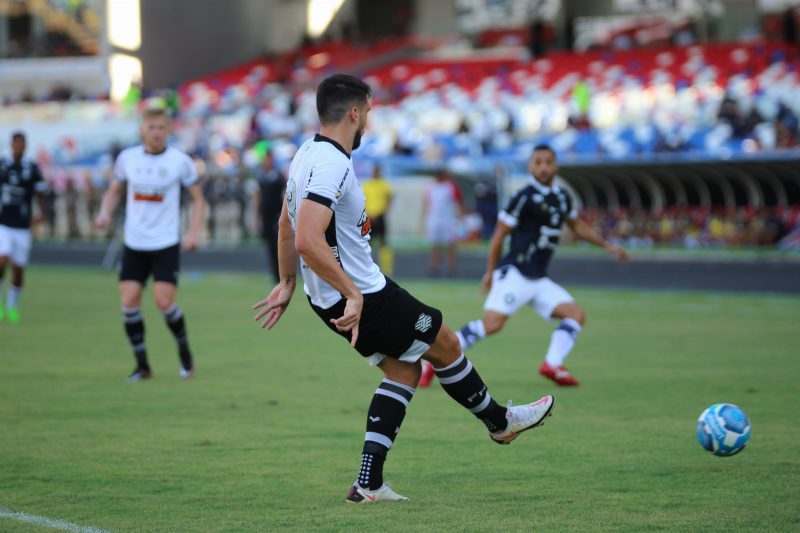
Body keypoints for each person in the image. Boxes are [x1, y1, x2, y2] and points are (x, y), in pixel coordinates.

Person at [252, 74, 555, 504]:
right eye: (369, 113)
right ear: (354, 113)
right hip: (359, 294)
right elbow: (306, 238)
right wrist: (353, 294)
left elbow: (286, 223)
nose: (369, 122)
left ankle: (368, 483)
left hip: (329, 295)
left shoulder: (305, 153)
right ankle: (499, 422)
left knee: (403, 371)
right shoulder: (332, 162)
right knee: (444, 340)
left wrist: (286, 282)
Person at [453, 145, 629, 387]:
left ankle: (552, 364)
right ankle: (436, 360)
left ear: (556, 165)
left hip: (538, 279)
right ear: (530, 166)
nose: (544, 167)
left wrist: (607, 245)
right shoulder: (523, 197)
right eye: (538, 162)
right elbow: (498, 236)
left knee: (576, 315)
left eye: (548, 162)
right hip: (515, 272)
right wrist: (491, 272)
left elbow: (577, 226)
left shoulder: (562, 197)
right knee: (492, 324)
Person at [95, 105, 206, 382]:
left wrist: (192, 233)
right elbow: (114, 191)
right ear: (142, 130)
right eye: (151, 128)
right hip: (134, 243)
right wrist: (104, 212)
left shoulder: (180, 161)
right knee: (129, 302)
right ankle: (142, 366)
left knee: (164, 302)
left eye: (161, 128)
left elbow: (199, 200)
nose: (156, 133)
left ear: (168, 130)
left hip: (166, 243)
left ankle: (184, 352)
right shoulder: (127, 159)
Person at [0, 131, 47, 324]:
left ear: (25, 146)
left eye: (22, 144)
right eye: (16, 143)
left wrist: (41, 213)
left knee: (18, 269)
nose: (18, 147)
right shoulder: (2, 165)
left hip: (22, 226)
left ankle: (12, 306)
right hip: (3, 223)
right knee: (2, 261)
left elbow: (41, 192)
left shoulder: (32, 168)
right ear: (11, 145)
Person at [423, 168, 463, 276]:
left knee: (450, 243)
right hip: (434, 219)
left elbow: (458, 202)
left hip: (448, 219)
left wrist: (459, 217)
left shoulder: (450, 186)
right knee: (434, 244)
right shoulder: (430, 187)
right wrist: (423, 219)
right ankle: (434, 266)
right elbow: (426, 203)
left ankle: (451, 266)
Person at [254, 151, 285, 284]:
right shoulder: (261, 176)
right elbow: (258, 196)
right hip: (265, 216)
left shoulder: (278, 176)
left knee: (277, 245)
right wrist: (256, 216)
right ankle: (274, 274)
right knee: (269, 246)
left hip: (276, 215)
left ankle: (281, 275)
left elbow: (285, 195)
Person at [361, 164, 394, 275]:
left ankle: (386, 269)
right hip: (369, 217)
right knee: (367, 243)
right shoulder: (367, 185)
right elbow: (363, 200)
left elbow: (390, 198)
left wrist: (383, 210)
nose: (376, 174)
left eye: (378, 172)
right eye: (375, 171)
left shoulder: (384, 185)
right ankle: (367, 267)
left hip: (380, 217)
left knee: (383, 242)